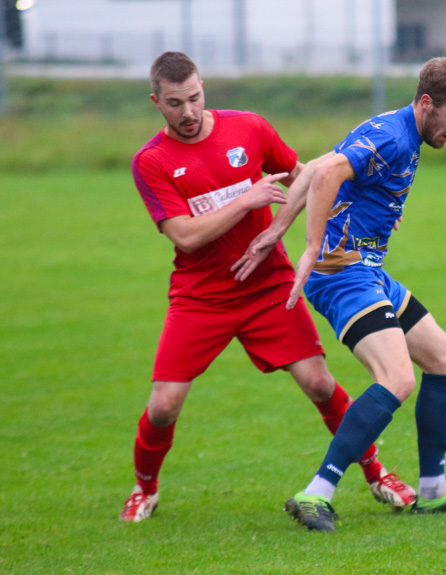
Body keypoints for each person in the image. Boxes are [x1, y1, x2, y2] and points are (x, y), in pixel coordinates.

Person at [119, 51, 415, 522]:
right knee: (163, 406)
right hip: (201, 297)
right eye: (175, 103)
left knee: (319, 382)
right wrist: (246, 200)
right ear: (157, 102)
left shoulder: (249, 129)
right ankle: (145, 488)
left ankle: (377, 473)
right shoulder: (151, 162)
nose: (189, 112)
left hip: (267, 285)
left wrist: (360, 219)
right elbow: (184, 235)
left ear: (203, 89)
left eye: (194, 98)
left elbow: (308, 178)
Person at [232, 57, 446, 532]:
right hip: (342, 270)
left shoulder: (395, 129)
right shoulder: (393, 137)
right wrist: (310, 246)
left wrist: (278, 229)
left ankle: (433, 491)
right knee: (396, 378)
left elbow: (309, 170)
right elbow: (327, 173)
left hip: (367, 267)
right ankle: (316, 492)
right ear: (426, 103)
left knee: (443, 357)